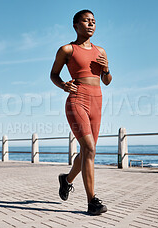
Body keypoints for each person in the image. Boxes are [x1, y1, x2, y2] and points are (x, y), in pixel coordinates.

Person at [50, 9, 112, 215]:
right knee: (90, 149)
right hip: (77, 100)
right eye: (86, 21)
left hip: (97, 101)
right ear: (76, 26)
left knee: (88, 151)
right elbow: (54, 74)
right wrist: (63, 86)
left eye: (94, 21)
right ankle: (92, 202)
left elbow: (107, 81)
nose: (91, 24)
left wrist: (106, 69)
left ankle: (66, 180)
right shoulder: (67, 50)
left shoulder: (101, 51)